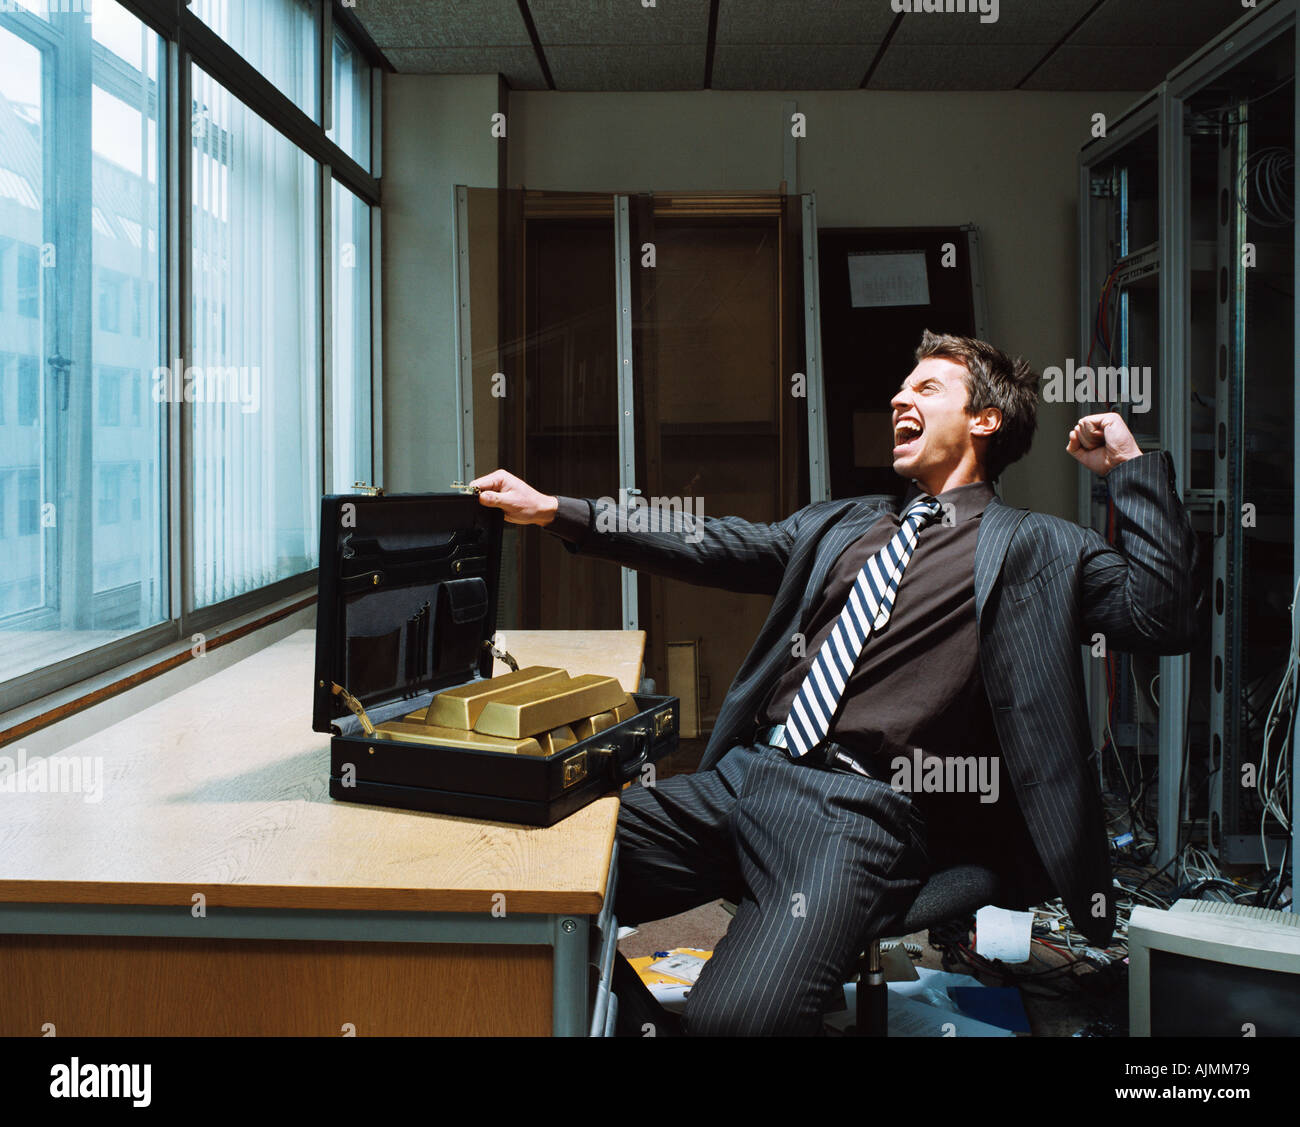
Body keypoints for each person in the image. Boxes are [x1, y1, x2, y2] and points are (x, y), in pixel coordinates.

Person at [471, 329, 1202, 1036]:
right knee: (521, 877)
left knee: (738, 1020)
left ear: (986, 418)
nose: (897, 397)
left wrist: (1131, 467)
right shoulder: (844, 525)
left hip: (853, 814)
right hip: (743, 777)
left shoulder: (1040, 548)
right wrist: (560, 510)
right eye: (900, 385)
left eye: (926, 386)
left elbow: (1161, 613)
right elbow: (711, 539)